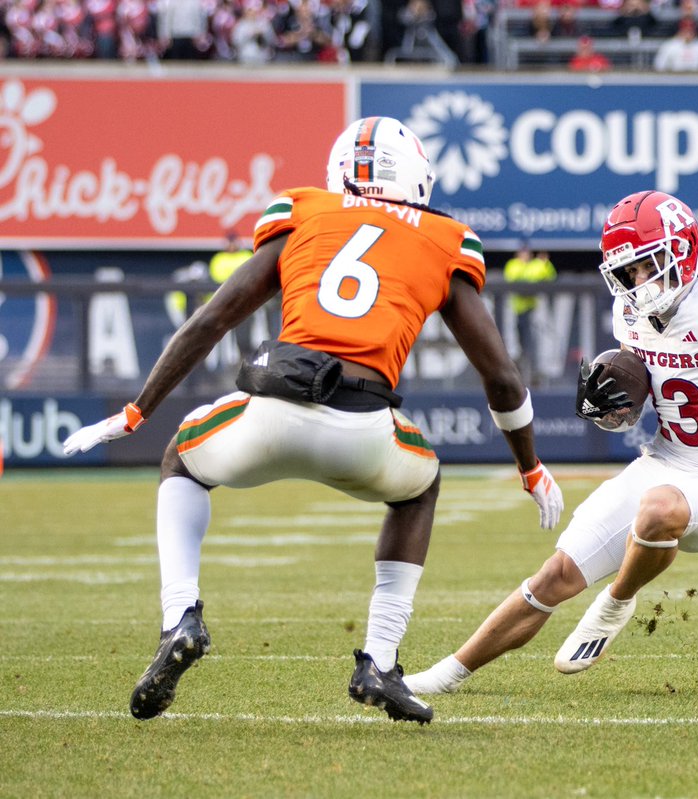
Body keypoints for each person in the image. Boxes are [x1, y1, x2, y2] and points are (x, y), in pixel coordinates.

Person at [61, 116, 564, 725]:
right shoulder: (443, 237)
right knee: (421, 483)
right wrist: (530, 467)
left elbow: (210, 321)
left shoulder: (302, 210)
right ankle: (379, 660)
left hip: (271, 411)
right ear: (415, 177)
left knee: (181, 459)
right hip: (365, 429)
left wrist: (137, 410)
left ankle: (180, 616)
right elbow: (503, 377)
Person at [404, 190, 698, 696]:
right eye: (628, 272)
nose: (638, 282)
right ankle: (447, 674)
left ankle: (616, 602)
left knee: (657, 509)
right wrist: (611, 411)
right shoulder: (631, 315)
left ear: (683, 251)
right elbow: (636, 406)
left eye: (648, 265)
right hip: (663, 462)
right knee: (555, 574)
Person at [503, 242, 557, 386]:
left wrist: (543, 263)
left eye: (527, 253)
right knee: (517, 341)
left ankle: (534, 372)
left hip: (533, 310)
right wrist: (535, 268)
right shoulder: (513, 264)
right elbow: (517, 277)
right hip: (515, 311)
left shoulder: (535, 265)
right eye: (522, 253)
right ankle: (518, 367)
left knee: (533, 341)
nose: (525, 256)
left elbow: (549, 275)